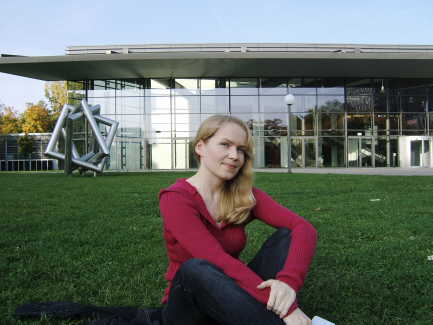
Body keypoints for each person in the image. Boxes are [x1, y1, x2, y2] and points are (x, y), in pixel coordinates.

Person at [158, 115, 317, 325]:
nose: (235, 156)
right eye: (225, 145)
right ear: (200, 147)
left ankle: (271, 307)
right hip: (190, 308)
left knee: (287, 236)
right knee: (195, 267)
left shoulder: (244, 195)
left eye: (241, 149)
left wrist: (288, 284)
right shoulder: (175, 198)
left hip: (230, 294)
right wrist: (289, 310)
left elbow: (304, 228)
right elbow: (214, 258)